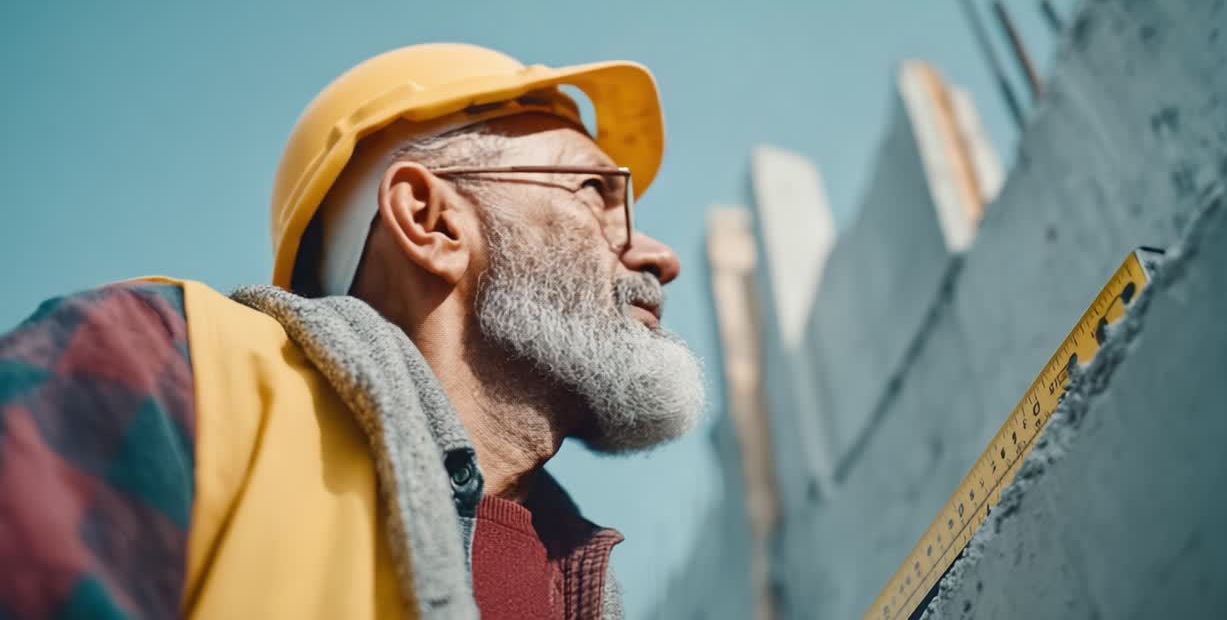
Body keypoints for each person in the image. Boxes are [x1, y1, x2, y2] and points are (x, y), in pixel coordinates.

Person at [0, 43, 705, 620]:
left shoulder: (573, 579)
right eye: (594, 193)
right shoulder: (169, 364)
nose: (657, 255)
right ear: (431, 223)